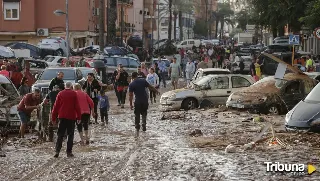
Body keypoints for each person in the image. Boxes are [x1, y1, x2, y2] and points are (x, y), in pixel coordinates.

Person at [52, 82, 81, 158]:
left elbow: (55, 107)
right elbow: (77, 106)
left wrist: (53, 118)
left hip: (62, 116)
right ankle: (69, 152)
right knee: (70, 135)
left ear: (65, 86)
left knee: (60, 134)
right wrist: (79, 117)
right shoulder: (74, 94)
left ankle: (57, 151)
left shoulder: (60, 94)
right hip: (71, 117)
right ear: (71, 86)